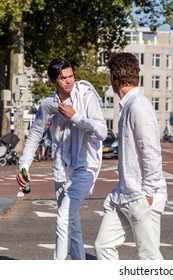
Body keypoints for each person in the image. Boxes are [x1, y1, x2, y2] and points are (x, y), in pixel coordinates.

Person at [16, 57, 107, 260]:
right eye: (63, 78)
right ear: (52, 80)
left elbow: (102, 131)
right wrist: (24, 165)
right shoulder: (48, 105)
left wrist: (75, 116)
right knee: (72, 225)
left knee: (64, 218)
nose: (69, 81)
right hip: (61, 169)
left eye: (71, 76)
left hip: (86, 166)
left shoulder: (86, 97)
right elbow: (34, 135)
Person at [94, 52, 167, 260]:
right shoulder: (128, 106)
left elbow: (151, 150)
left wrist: (149, 193)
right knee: (103, 246)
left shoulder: (138, 106)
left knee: (149, 257)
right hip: (125, 194)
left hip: (142, 195)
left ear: (113, 78)